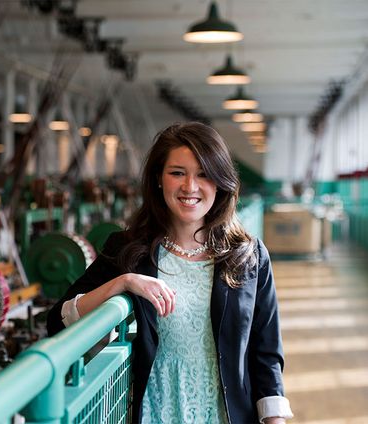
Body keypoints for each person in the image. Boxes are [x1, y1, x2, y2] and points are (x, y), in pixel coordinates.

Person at [47, 122, 293, 424]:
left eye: (203, 174)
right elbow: (58, 321)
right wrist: (122, 282)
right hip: (155, 413)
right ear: (158, 180)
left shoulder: (248, 256)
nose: (190, 187)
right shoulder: (128, 250)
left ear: (220, 182)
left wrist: (275, 419)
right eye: (177, 173)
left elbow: (265, 352)